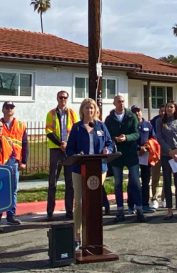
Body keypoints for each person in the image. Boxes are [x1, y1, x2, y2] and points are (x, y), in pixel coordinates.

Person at [65, 98, 115, 251]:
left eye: (92, 108)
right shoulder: (77, 127)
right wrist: (77, 155)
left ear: (96, 110)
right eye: (87, 108)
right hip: (80, 170)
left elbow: (110, 143)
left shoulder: (101, 126)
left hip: (98, 169)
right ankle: (77, 236)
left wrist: (108, 150)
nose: (90, 111)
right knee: (80, 203)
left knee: (94, 202)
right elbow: (70, 149)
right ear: (82, 110)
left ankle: (94, 236)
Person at [104, 94, 145, 223]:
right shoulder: (109, 119)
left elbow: (136, 133)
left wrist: (126, 137)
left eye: (123, 101)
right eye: (119, 101)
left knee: (135, 183)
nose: (121, 103)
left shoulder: (131, 116)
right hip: (117, 155)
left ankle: (139, 210)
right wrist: (114, 138)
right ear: (114, 103)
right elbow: (107, 135)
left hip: (131, 154)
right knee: (117, 183)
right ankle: (120, 211)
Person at [45, 90, 78, 221]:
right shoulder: (51, 114)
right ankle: (49, 212)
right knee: (52, 182)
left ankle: (69, 211)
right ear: (57, 98)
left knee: (70, 183)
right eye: (61, 97)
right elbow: (49, 131)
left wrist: (68, 144)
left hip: (69, 150)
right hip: (56, 150)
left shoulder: (72, 113)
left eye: (65, 98)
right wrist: (60, 143)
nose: (63, 100)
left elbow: (76, 130)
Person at [154, 101, 177, 220]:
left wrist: (176, 150)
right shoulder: (160, 122)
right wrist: (169, 151)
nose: (169, 109)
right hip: (165, 155)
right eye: (167, 107)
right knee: (167, 182)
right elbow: (159, 138)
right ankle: (169, 210)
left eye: (171, 107)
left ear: (175, 109)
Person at [1, 101, 28, 226]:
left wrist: (24, 161)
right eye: (7, 108)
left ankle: (11, 215)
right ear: (3, 110)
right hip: (1, 161)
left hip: (15, 161)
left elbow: (25, 144)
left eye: (11, 108)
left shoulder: (20, 125)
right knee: (0, 189)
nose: (9, 110)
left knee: (13, 190)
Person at [132, 105, 158, 214]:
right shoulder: (130, 125)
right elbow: (129, 140)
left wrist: (147, 147)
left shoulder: (148, 125)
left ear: (141, 112)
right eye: (134, 112)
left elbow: (154, 139)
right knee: (134, 182)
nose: (137, 113)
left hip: (146, 157)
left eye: (138, 111)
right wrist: (138, 149)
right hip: (134, 156)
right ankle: (134, 204)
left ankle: (145, 204)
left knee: (146, 181)